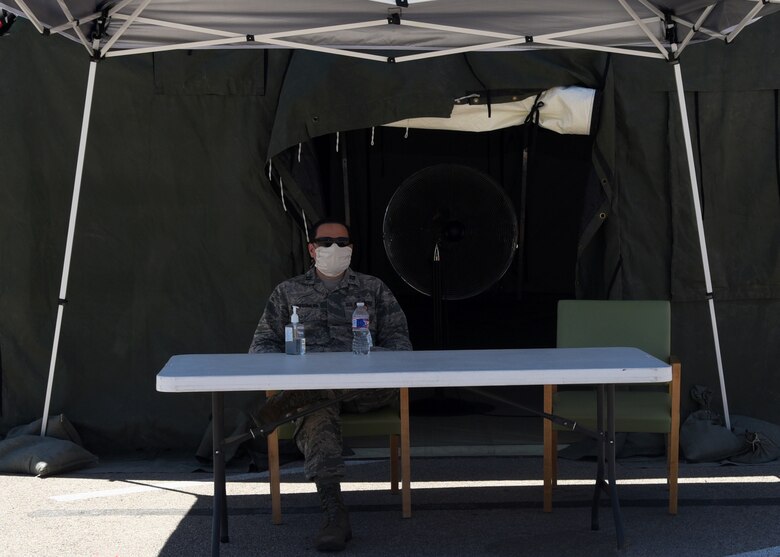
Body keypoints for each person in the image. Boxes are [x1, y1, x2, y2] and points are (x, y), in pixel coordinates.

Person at [249, 218, 412, 552]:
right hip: (314, 397)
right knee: (317, 409)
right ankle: (334, 513)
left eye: (342, 242)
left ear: (351, 248)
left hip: (367, 390)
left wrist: (367, 356)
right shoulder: (288, 292)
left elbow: (401, 348)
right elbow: (261, 347)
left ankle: (296, 398)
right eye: (326, 243)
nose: (334, 249)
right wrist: (293, 365)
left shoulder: (373, 289)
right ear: (312, 248)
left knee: (309, 398)